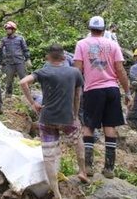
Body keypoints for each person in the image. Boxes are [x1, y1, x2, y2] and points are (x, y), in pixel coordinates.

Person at [19, 44, 88, 198]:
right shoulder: (75, 72)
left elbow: (23, 82)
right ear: (64, 57)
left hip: (47, 119)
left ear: (48, 58)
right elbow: (78, 96)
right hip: (67, 118)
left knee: (49, 158)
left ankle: (57, 194)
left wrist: (33, 103)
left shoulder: (43, 72)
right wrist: (75, 116)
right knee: (78, 141)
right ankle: (82, 171)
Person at [73, 16, 130, 179]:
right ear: (104, 29)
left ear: (89, 28)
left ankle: (88, 167)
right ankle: (109, 168)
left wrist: (76, 91)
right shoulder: (113, 45)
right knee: (110, 126)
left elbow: (77, 69)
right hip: (112, 89)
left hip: (92, 90)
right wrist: (128, 92)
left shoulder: (82, 44)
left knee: (89, 125)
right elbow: (120, 69)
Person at [0, 21, 30, 96]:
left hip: (19, 61)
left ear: (13, 29)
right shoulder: (4, 39)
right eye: (6, 29)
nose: (7, 30)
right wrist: (1, 59)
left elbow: (25, 49)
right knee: (9, 80)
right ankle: (9, 95)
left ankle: (28, 94)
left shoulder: (20, 38)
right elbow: (0, 50)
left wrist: (28, 59)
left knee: (23, 78)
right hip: (9, 63)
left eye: (9, 28)